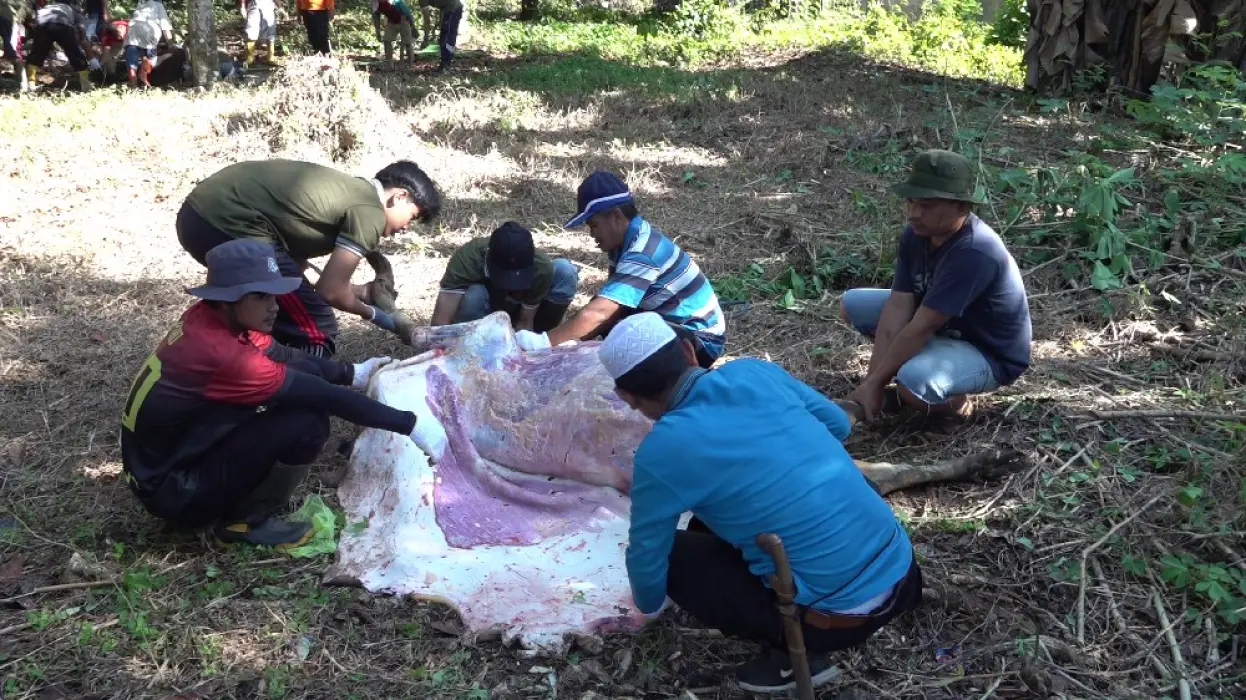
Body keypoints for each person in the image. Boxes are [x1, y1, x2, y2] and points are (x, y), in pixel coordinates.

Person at [596, 313, 922, 693]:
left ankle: (792, 656)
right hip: (904, 572)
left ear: (627, 398)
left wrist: (647, 604)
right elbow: (838, 425)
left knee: (677, 556)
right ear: (688, 351)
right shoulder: (754, 372)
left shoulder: (664, 449)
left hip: (833, 620)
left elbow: (648, 555)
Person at [121, 239, 446, 548]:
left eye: (275, 296)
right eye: (262, 296)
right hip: (176, 491)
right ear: (228, 298)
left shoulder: (207, 317)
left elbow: (284, 355)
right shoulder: (225, 357)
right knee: (307, 422)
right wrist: (411, 424)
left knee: (296, 403)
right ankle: (245, 522)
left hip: (163, 471)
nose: (274, 307)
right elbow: (323, 396)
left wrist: (352, 373)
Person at [175, 158, 442, 358]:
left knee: (266, 311)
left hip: (198, 217)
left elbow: (299, 269)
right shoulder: (370, 211)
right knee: (317, 329)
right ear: (399, 196)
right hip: (227, 222)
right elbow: (329, 292)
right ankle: (298, 401)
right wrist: (377, 316)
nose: (408, 226)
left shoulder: (351, 192)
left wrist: (359, 291)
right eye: (413, 216)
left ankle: (250, 380)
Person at [843, 149, 1032, 420]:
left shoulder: (974, 252)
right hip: (948, 327)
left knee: (913, 383)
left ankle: (954, 405)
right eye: (911, 202)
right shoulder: (917, 234)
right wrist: (871, 384)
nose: (914, 214)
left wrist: (875, 385)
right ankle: (899, 382)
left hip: (987, 351)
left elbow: (923, 325)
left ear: (963, 207)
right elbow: (898, 306)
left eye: (927, 206)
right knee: (852, 304)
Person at [514, 171, 727, 369]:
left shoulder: (642, 252)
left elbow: (600, 312)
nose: (592, 234)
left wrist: (543, 344)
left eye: (594, 225)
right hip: (673, 327)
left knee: (617, 334)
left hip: (699, 341)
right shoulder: (625, 244)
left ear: (616, 216)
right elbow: (609, 310)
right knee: (613, 329)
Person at [432, 221, 579, 332]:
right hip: (486, 317)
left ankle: (546, 338)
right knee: (474, 295)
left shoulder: (541, 267)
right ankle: (471, 343)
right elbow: (440, 322)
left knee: (564, 271)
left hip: (524, 319)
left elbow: (525, 322)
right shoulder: (468, 259)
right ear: (488, 256)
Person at [24, 1, 92, 92]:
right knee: (75, 54)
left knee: (36, 54)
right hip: (63, 26)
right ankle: (85, 85)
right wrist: (80, 41)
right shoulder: (73, 10)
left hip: (43, 26)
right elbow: (81, 27)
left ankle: (30, 84)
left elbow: (35, 22)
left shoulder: (47, 7)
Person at [123, 0, 172, 88]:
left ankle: (134, 87)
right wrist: (171, 43)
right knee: (151, 58)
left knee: (132, 63)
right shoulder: (158, 5)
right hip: (150, 31)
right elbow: (165, 28)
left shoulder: (140, 4)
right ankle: (143, 75)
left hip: (132, 30)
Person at [417, 0, 460, 74]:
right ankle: (447, 64)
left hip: (452, 9)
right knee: (448, 38)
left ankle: (445, 67)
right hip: (452, 9)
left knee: (447, 39)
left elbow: (427, 20)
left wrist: (426, 38)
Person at [372, 0, 416, 68]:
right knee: (386, 40)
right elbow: (376, 16)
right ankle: (390, 65)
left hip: (404, 20)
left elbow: (408, 13)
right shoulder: (375, 3)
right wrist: (377, 31)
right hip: (391, 21)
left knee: (408, 43)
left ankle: (411, 65)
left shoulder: (395, 2)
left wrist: (413, 27)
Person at [241, 0, 279, 67]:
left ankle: (270, 58)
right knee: (251, 29)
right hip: (253, 4)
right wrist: (242, 6)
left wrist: (278, 3)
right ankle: (250, 58)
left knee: (270, 30)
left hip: (268, 4)